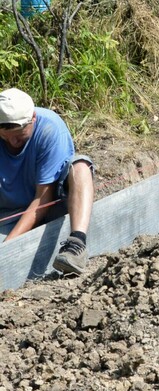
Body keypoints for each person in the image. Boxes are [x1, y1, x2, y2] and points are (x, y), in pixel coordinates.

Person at [0, 88, 94, 276]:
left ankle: (76, 245)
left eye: (19, 134)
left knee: (80, 166)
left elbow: (43, 199)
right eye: (5, 135)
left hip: (51, 206)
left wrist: (7, 248)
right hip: (9, 215)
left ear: (32, 118)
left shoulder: (49, 128)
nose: (13, 141)